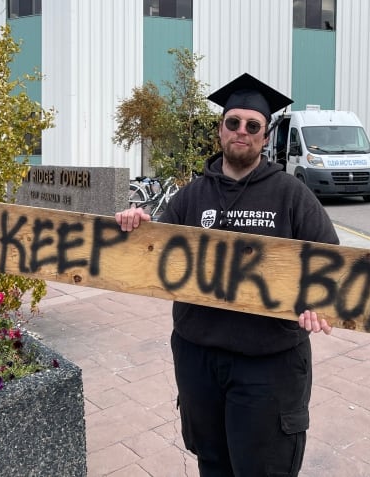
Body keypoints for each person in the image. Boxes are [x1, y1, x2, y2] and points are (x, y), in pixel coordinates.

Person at [115, 72, 339, 476]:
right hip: (198, 357)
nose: (242, 132)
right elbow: (154, 256)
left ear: (265, 136)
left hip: (267, 364)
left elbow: (332, 264)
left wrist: (317, 301)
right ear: (220, 129)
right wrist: (137, 226)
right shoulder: (191, 195)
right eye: (233, 122)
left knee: (261, 468)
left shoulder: (291, 194)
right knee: (212, 463)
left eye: (253, 126)